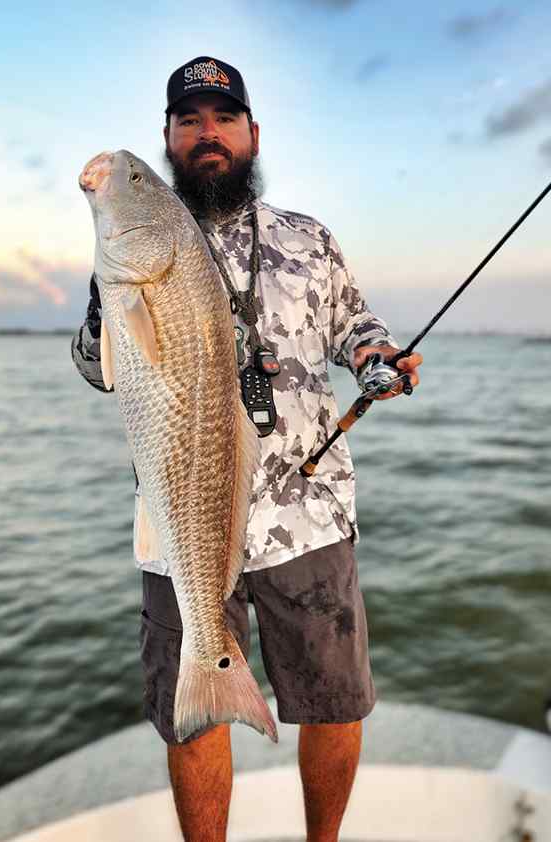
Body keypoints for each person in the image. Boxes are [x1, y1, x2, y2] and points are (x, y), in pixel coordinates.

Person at [72, 56, 423, 842]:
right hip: (180, 518)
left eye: (223, 119)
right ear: (169, 136)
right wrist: (105, 299)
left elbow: (356, 328)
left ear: (252, 134)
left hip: (308, 514)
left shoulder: (308, 239)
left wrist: (378, 361)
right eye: (189, 120)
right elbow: (99, 369)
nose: (208, 134)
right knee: (192, 719)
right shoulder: (142, 245)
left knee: (333, 703)